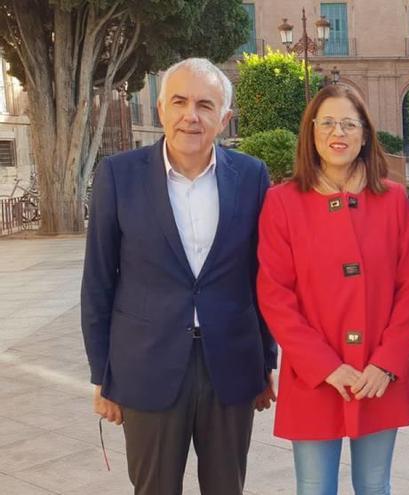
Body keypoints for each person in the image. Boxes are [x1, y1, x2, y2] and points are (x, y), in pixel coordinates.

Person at [81, 58, 277, 495]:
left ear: (224, 119)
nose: (192, 115)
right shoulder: (118, 176)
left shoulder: (250, 176)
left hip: (230, 366)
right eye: (180, 102)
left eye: (206, 105)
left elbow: (262, 277)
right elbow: (98, 282)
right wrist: (103, 375)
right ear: (161, 111)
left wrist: (266, 362)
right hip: (146, 368)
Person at [256, 85, 409, 495]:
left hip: (377, 377)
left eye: (350, 123)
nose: (339, 132)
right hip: (314, 378)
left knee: (374, 485)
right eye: (328, 122)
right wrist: (325, 366)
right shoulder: (281, 202)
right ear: (311, 132)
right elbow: (275, 295)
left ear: (365, 135)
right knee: (313, 488)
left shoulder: (394, 200)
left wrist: (386, 363)